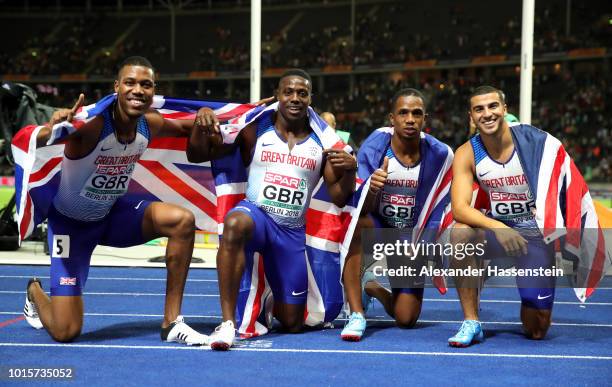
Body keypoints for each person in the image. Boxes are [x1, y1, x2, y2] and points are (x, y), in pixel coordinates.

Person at [23, 56, 216, 345]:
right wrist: (55, 123)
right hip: (70, 227)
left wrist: (203, 113)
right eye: (130, 83)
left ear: (153, 91)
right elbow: (40, 140)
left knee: (182, 221)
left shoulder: (149, 124)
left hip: (111, 217)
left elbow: (188, 128)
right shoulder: (90, 128)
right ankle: (34, 291)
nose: (138, 89)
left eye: (146, 84)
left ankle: (172, 322)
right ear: (117, 87)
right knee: (66, 331)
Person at [187, 69, 357, 350]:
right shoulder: (254, 128)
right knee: (234, 224)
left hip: (290, 234)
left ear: (310, 98)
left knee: (291, 323)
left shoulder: (323, 143)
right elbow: (198, 154)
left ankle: (268, 294)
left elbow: (339, 197)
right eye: (288, 92)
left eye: (302, 93)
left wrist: (350, 171)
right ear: (277, 95)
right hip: (257, 216)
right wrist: (201, 120)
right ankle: (227, 324)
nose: (294, 98)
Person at [340, 88, 453, 341]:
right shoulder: (376, 145)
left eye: (416, 113)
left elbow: (439, 212)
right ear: (392, 118)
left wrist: (422, 250)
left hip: (411, 235)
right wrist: (373, 188)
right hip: (378, 226)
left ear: (426, 119)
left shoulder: (440, 155)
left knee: (406, 318)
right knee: (356, 223)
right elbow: (360, 207)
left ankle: (373, 286)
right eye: (403, 113)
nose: (410, 119)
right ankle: (357, 314)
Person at [448, 85, 557, 347]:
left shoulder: (535, 142)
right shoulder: (466, 152)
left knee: (536, 329)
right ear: (471, 117)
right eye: (479, 109)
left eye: (493, 106)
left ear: (505, 110)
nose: (487, 113)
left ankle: (528, 284)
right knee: (460, 231)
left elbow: (561, 186)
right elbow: (459, 208)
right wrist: (499, 226)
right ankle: (471, 322)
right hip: (498, 233)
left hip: (535, 235)